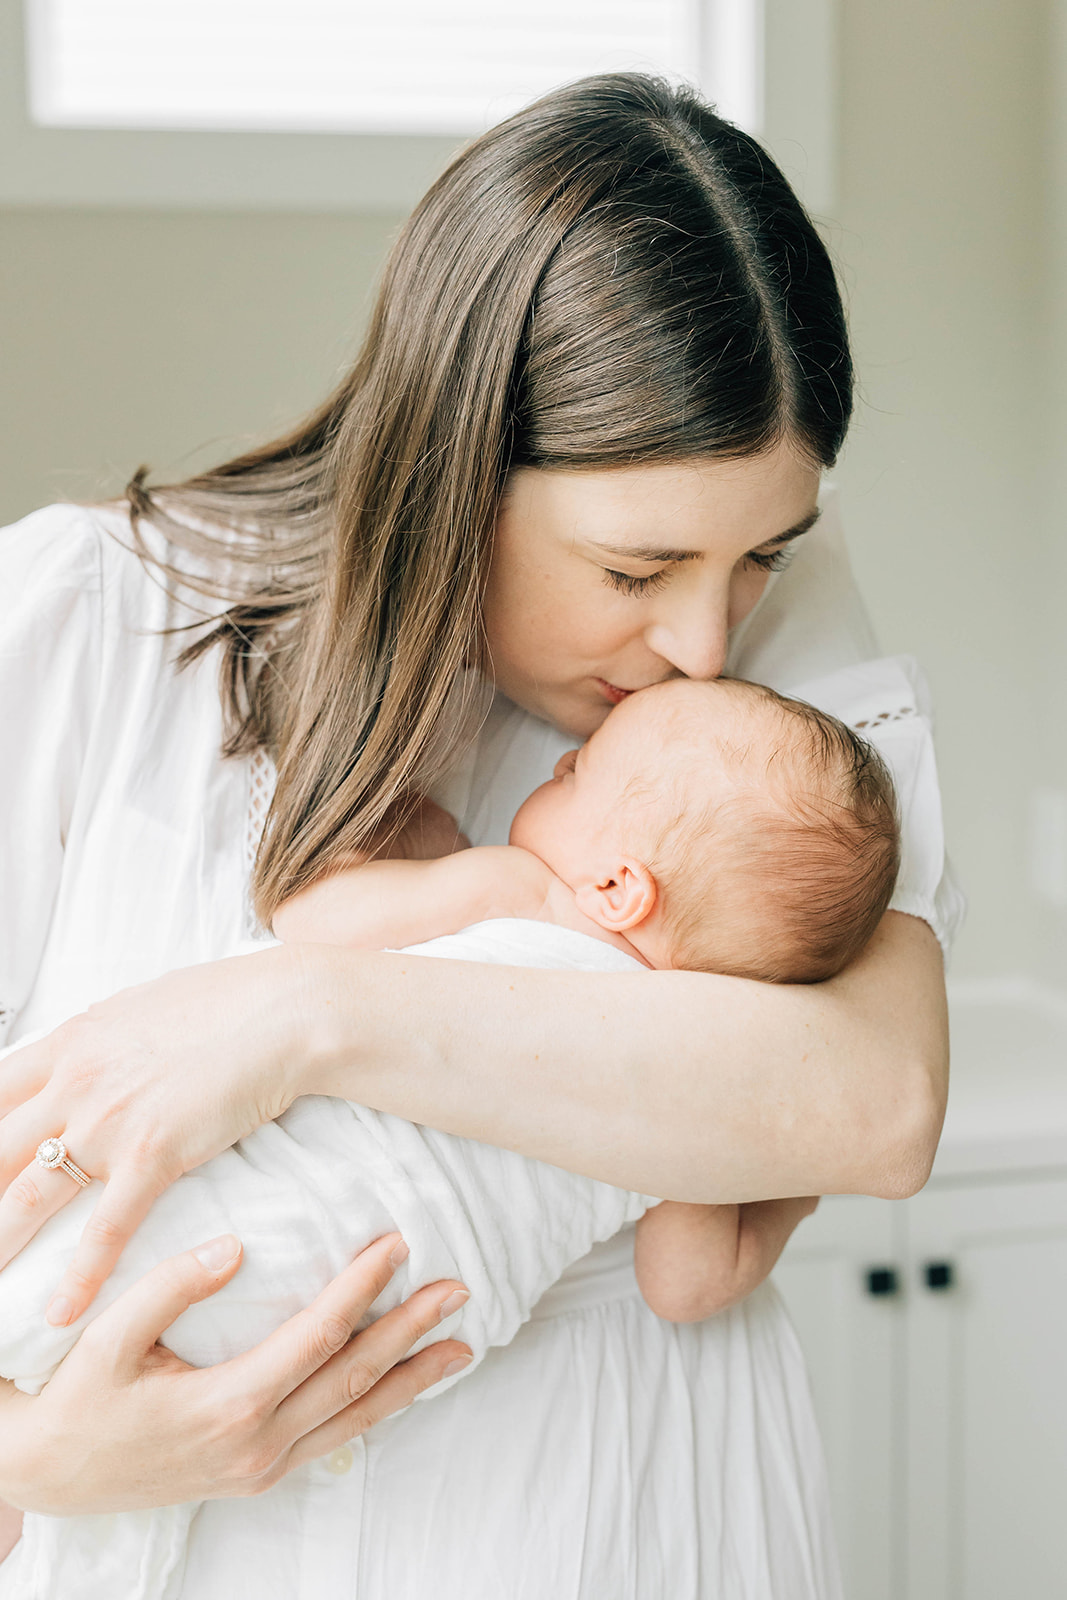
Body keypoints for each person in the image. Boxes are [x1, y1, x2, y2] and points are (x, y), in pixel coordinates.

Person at [0, 73, 960, 1598]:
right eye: (633, 569)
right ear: (447, 467)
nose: (707, 645)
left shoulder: (771, 685)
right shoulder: (85, 623)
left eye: (762, 557)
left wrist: (307, 1012)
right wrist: (30, 1460)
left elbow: (878, 1098)